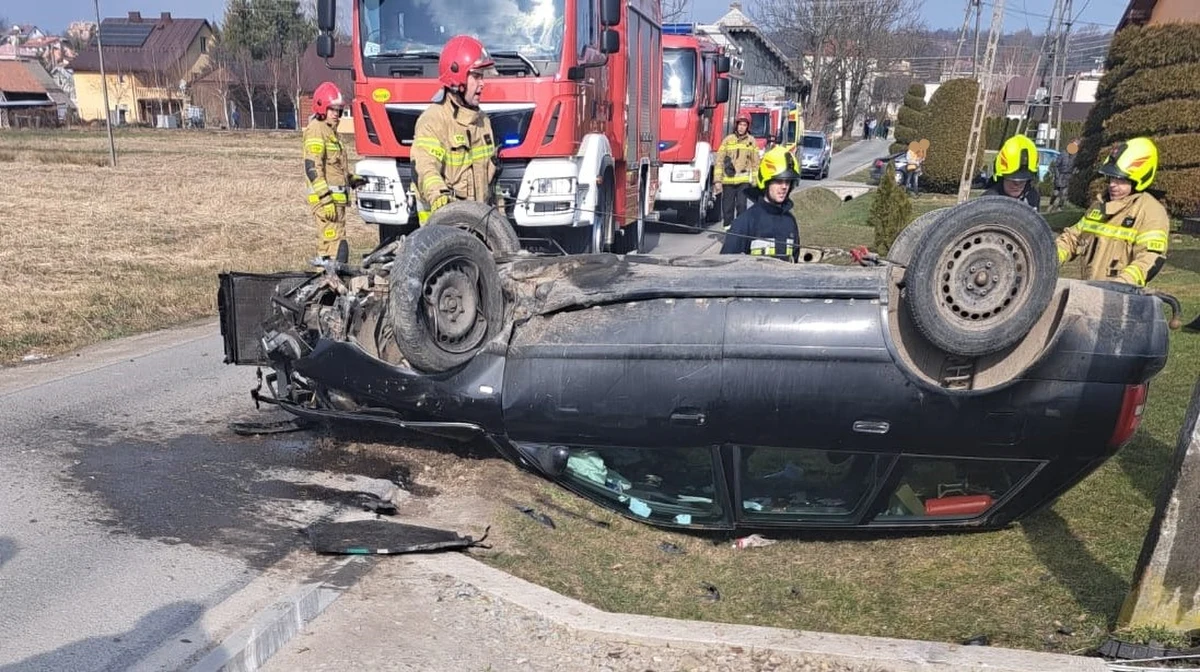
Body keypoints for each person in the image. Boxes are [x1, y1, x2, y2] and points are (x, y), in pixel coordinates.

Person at [1056, 137, 1169, 287]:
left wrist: (1122, 284)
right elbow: (1072, 239)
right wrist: (1049, 259)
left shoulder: (1151, 212)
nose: (1113, 185)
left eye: (1121, 180)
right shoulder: (1099, 207)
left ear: (1138, 180)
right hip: (1088, 292)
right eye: (1111, 178)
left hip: (1122, 299)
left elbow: (1149, 258)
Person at [411, 35, 500, 225]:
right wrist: (439, 197)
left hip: (479, 226)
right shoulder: (433, 120)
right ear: (457, 77)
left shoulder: (483, 122)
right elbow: (425, 167)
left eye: (482, 77)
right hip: (441, 230)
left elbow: (490, 184)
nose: (482, 84)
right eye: (476, 76)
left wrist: (499, 223)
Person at [303, 81, 364, 262]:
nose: (337, 115)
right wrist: (326, 199)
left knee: (335, 245)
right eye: (333, 110)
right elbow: (313, 167)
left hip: (335, 204)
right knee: (333, 248)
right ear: (322, 108)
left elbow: (333, 167)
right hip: (326, 204)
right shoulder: (317, 131)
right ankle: (329, 284)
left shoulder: (331, 132)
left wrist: (351, 179)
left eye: (339, 110)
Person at [719, 145, 801, 261]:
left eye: (788, 182)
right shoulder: (745, 223)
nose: (784, 187)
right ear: (765, 182)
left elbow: (794, 262)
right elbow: (724, 267)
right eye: (778, 181)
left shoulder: (790, 222)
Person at [714, 112, 759, 230]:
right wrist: (717, 181)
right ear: (736, 125)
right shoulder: (728, 140)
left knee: (741, 206)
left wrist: (755, 181)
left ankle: (739, 230)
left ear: (748, 127)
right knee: (727, 209)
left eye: (744, 125)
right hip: (728, 181)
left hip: (743, 181)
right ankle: (729, 232)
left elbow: (755, 163)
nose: (741, 127)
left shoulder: (752, 141)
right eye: (740, 124)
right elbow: (719, 161)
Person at [983, 134, 1040, 210]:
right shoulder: (988, 201)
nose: (1017, 184)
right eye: (1012, 179)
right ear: (1001, 176)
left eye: (1023, 180)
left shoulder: (1032, 197)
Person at [1048, 139, 1077, 212]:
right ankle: (1051, 204)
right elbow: (1056, 166)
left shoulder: (1075, 156)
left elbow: (1075, 166)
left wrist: (1074, 173)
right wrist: (1057, 176)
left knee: (1064, 193)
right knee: (1056, 193)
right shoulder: (1063, 154)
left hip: (1068, 176)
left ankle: (1059, 207)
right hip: (1060, 176)